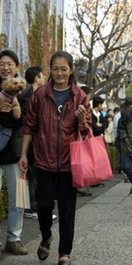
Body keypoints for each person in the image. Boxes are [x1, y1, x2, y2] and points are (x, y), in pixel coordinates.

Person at [19, 50, 92, 265]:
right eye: (55, 69)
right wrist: (23, 154)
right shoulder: (40, 94)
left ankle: (64, 253)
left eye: (64, 69)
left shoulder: (80, 95)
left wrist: (81, 120)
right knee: (42, 206)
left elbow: (86, 131)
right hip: (43, 160)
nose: (59, 73)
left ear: (71, 71)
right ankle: (46, 236)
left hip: (70, 162)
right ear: (50, 69)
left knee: (67, 210)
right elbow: (29, 125)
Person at [0, 49, 28, 255]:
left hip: (17, 152)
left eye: (9, 63)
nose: (5, 67)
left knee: (18, 197)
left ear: (17, 67)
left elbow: (25, 119)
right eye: (2, 64)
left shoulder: (26, 92)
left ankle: (14, 238)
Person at [22, 66, 59, 219]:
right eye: (42, 76)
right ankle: (33, 208)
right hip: (32, 144)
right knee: (35, 179)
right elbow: (28, 123)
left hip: (39, 144)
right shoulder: (27, 96)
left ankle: (37, 207)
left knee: (36, 179)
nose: (44, 78)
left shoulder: (39, 94)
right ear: (37, 77)